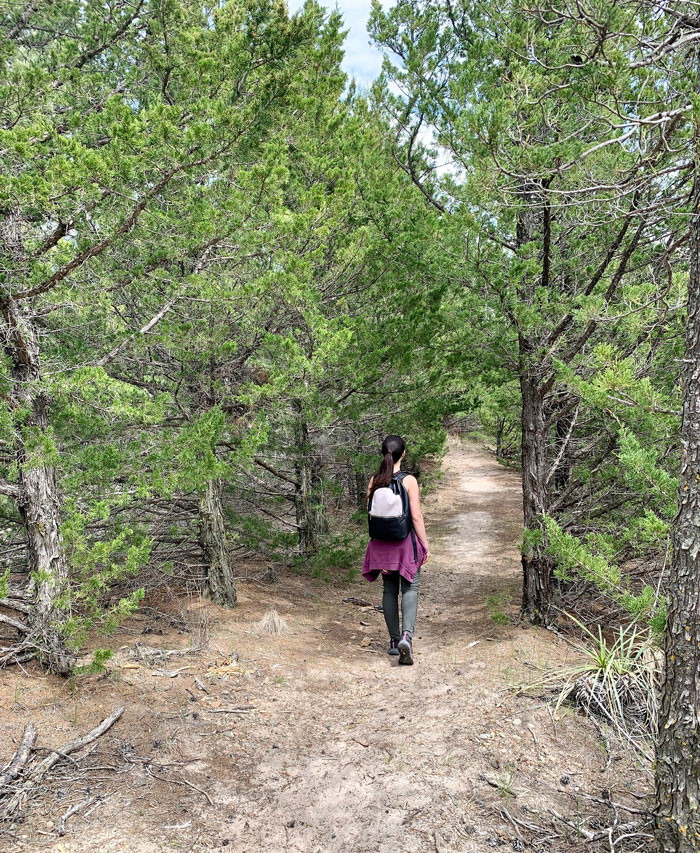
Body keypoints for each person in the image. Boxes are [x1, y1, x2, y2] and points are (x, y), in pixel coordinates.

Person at [361, 435, 430, 665]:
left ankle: (393, 642)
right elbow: (416, 516)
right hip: (403, 543)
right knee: (411, 587)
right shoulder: (408, 480)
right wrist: (425, 545)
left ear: (383, 453)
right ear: (403, 453)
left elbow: (369, 512)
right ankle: (406, 638)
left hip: (381, 544)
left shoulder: (374, 480)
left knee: (389, 590)